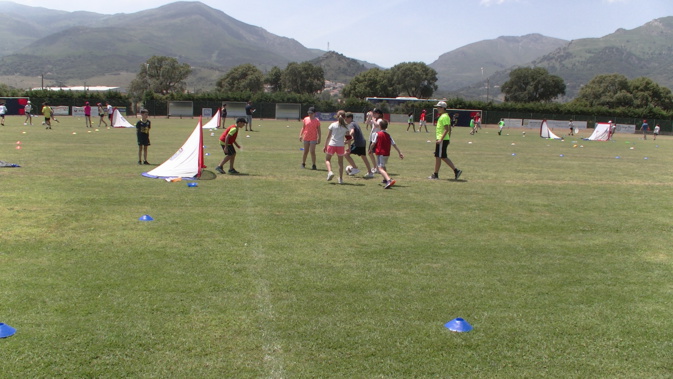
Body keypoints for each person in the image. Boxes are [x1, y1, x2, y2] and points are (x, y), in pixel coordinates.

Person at [429, 101, 462, 180]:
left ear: (443, 108)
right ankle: (456, 171)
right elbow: (449, 129)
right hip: (443, 139)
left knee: (438, 156)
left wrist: (441, 139)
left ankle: (435, 174)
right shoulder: (444, 116)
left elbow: (447, 129)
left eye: (439, 107)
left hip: (442, 139)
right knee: (443, 157)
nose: (437, 108)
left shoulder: (444, 117)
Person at [369, 119, 403, 189]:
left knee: (380, 168)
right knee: (383, 166)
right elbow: (394, 144)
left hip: (380, 153)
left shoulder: (377, 134)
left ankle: (389, 180)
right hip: (387, 154)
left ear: (380, 126)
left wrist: (370, 149)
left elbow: (373, 143)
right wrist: (399, 152)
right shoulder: (388, 135)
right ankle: (385, 179)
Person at [323, 110, 352, 184]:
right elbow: (348, 138)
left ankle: (330, 172)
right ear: (345, 117)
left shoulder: (333, 125)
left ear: (337, 116)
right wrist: (349, 147)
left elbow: (328, 136)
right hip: (340, 145)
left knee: (327, 160)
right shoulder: (346, 126)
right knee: (340, 163)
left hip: (332, 144)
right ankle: (341, 179)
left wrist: (325, 145)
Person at [343, 112, 373, 178]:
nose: (345, 121)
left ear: (350, 118)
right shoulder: (355, 123)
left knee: (346, 154)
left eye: (346, 119)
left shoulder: (351, 124)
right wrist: (347, 141)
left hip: (358, 143)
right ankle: (370, 173)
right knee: (364, 157)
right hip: (362, 142)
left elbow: (352, 132)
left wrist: (348, 136)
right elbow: (353, 137)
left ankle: (355, 168)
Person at [366, 108, 384, 175]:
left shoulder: (380, 120)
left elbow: (377, 125)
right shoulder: (375, 119)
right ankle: (375, 167)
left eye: (375, 113)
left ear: (378, 114)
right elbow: (367, 122)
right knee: (370, 152)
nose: (373, 114)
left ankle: (377, 167)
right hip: (373, 138)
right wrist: (369, 117)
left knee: (375, 153)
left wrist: (373, 118)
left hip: (377, 138)